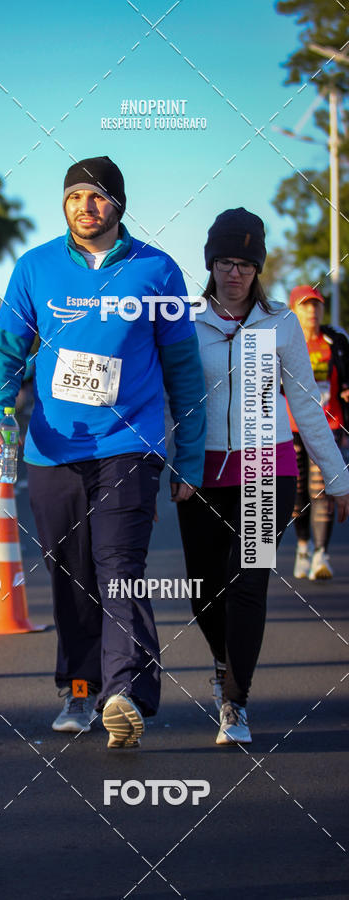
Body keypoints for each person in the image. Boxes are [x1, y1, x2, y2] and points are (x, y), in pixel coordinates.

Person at [0, 156, 206, 749]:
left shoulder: (157, 272)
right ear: (65, 203)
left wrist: (191, 453)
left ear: (119, 205)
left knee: (120, 567)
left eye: (99, 196)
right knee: (70, 573)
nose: (86, 205)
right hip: (52, 449)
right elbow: (5, 350)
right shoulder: (35, 268)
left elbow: (183, 369)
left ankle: (123, 692)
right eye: (76, 194)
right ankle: (80, 691)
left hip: (129, 445)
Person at [176, 208, 349, 746]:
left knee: (247, 580)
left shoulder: (280, 324)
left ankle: (236, 702)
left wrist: (337, 476)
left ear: (258, 268)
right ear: (211, 264)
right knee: (204, 591)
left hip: (266, 468)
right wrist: (176, 466)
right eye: (226, 262)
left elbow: (305, 400)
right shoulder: (185, 320)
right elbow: (171, 401)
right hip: (202, 471)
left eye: (246, 264)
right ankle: (222, 664)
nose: (235, 274)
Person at [286, 285, 349, 580]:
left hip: (329, 424)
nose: (312, 311)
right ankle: (303, 546)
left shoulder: (335, 340)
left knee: (321, 488)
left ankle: (321, 555)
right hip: (291, 427)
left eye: (317, 305)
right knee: (297, 491)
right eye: (306, 305)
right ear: (294, 310)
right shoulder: (283, 341)